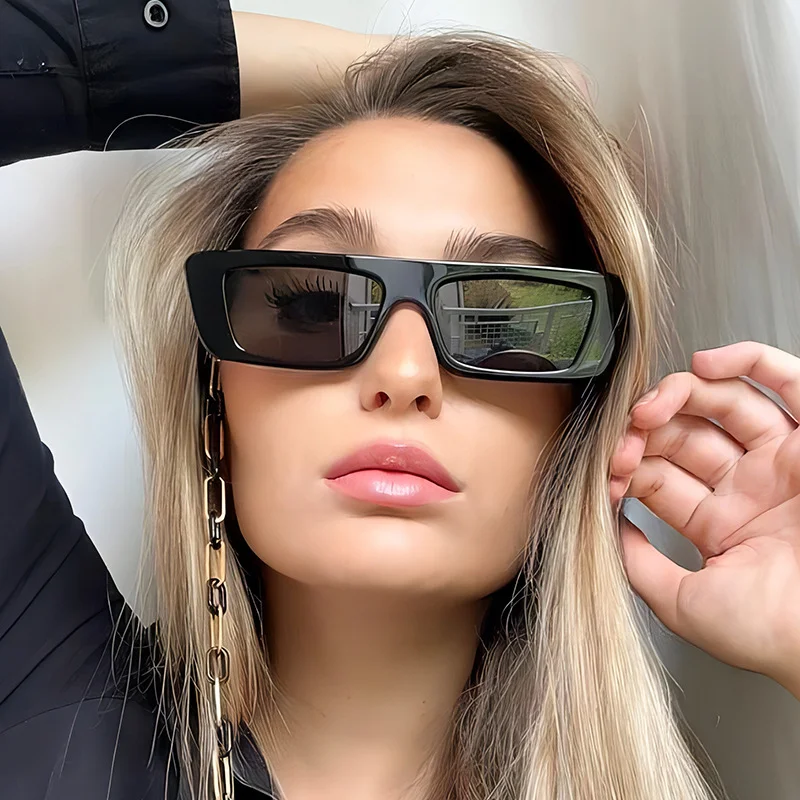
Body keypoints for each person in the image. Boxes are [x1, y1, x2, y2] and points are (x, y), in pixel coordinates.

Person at [2, 12, 800, 800]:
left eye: (497, 321)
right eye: (312, 304)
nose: (407, 372)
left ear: (578, 420)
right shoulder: (45, 705)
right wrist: (398, 67)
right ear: (215, 385)